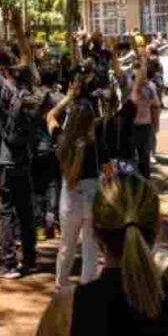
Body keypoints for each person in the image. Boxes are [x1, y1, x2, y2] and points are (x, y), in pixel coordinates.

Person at [32, 71, 168, 336]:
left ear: (98, 232)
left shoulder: (65, 310)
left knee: (66, 247)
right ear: (156, 228)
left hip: (70, 202)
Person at [0, 14, 42, 279]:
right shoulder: (27, 79)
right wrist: (17, 27)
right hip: (23, 155)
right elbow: (27, 53)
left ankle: (9, 263)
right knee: (25, 209)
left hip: (1, 157)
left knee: (3, 211)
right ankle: (30, 258)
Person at [50, 91, 106, 290]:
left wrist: (68, 96)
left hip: (69, 197)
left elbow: (50, 116)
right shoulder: (97, 144)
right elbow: (108, 170)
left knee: (66, 245)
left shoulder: (62, 139)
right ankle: (88, 286)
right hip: (91, 196)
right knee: (91, 246)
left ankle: (61, 283)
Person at [34, 70, 65, 240]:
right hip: (53, 146)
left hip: (35, 148)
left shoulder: (33, 96)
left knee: (38, 187)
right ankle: (54, 225)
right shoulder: (60, 98)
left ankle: (39, 227)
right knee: (53, 185)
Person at [130, 53, 161, 179]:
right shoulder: (128, 84)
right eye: (136, 69)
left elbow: (155, 107)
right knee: (129, 159)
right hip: (129, 127)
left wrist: (156, 125)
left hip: (145, 127)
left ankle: (145, 183)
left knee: (144, 159)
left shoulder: (151, 87)